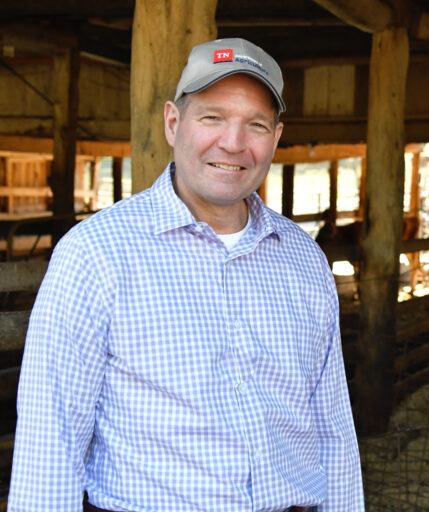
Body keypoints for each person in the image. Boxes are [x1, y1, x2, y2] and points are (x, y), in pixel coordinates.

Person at [9, 38, 365, 512]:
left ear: (276, 138)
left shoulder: (303, 259)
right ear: (174, 123)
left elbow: (332, 424)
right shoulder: (96, 253)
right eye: (212, 117)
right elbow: (50, 433)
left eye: (255, 125)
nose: (233, 143)